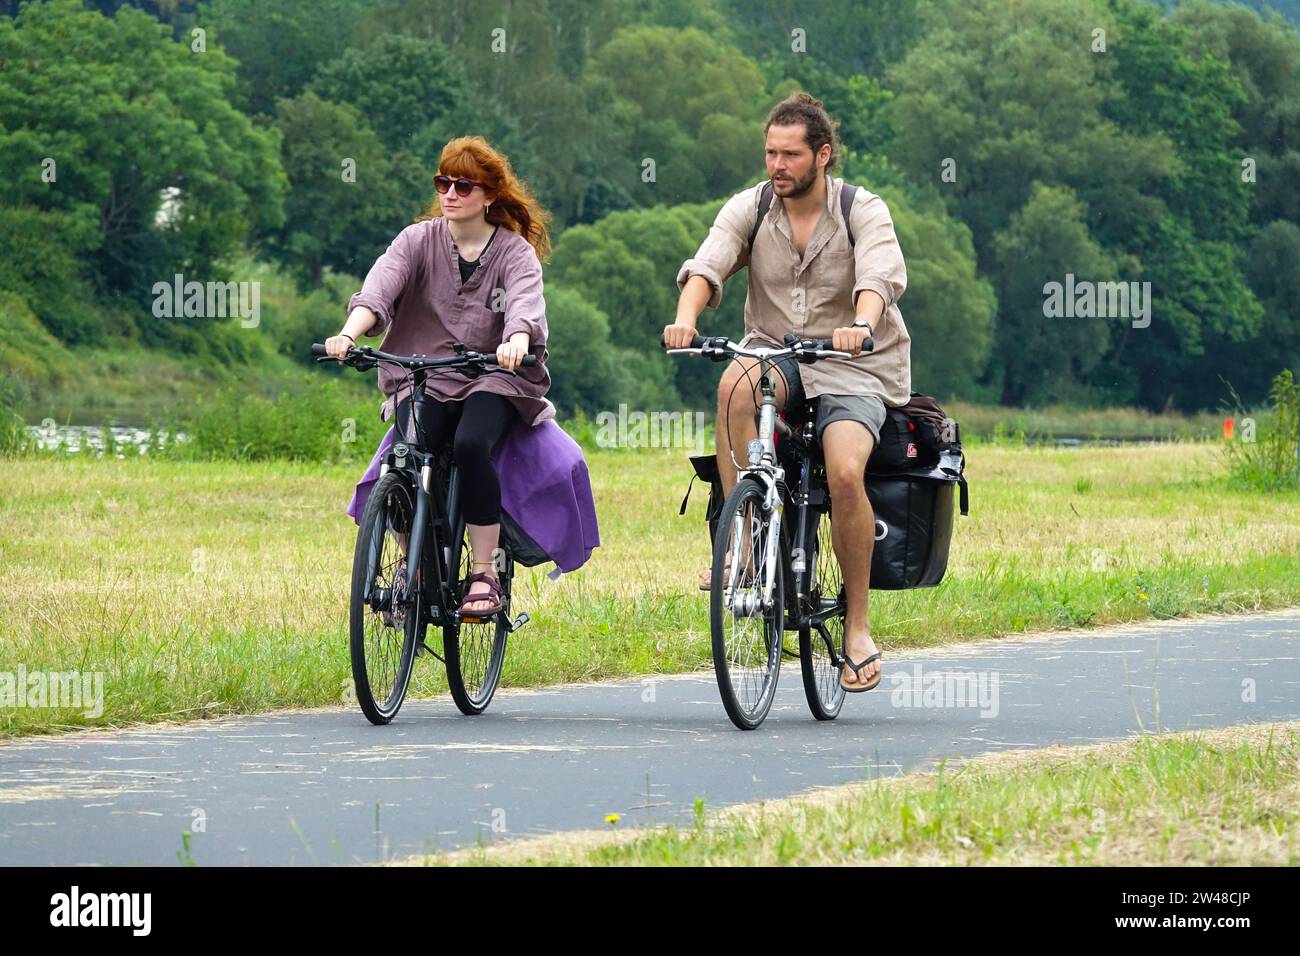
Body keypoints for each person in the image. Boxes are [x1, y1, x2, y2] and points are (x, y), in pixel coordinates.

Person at [663, 93, 913, 693]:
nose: (777, 164)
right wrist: (686, 317)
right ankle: (745, 545)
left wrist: (862, 322)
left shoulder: (861, 209)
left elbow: (880, 274)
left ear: (821, 156)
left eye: (791, 154)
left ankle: (857, 628)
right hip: (776, 353)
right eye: (771, 152)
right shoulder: (752, 206)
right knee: (733, 384)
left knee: (846, 472)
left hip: (854, 363)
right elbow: (709, 262)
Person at [327, 135, 554, 616]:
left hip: (494, 375)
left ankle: (485, 573)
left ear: (489, 196)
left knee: (472, 445)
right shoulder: (417, 241)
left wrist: (516, 339)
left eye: (464, 186)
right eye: (443, 182)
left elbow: (524, 305)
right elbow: (379, 290)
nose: (450, 193)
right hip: (423, 370)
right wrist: (349, 334)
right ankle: (418, 568)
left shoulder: (514, 254)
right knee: (407, 454)